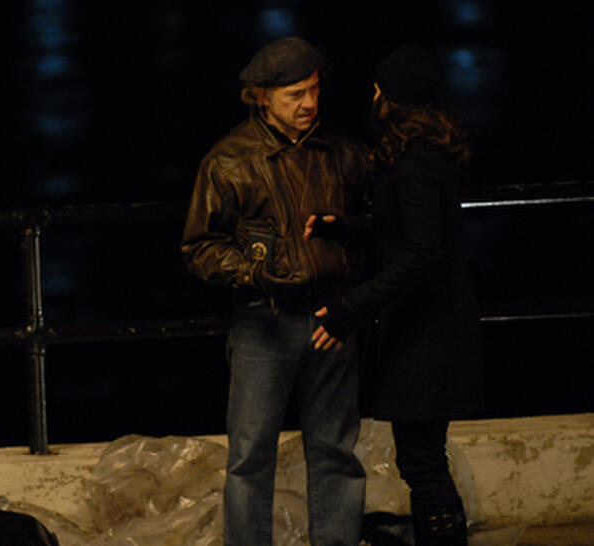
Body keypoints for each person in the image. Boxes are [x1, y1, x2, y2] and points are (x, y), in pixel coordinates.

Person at [181, 36, 367, 545]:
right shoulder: (229, 162)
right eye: (295, 96)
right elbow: (199, 246)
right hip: (263, 323)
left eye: (313, 91)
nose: (309, 103)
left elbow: (374, 232)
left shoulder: (345, 155)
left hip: (333, 319)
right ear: (261, 96)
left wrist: (352, 303)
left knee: (335, 451)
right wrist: (255, 274)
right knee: (249, 456)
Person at [304, 44, 484, 545]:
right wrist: (344, 229)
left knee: (422, 459)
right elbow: (404, 229)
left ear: (393, 98)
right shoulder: (427, 155)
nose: (374, 98)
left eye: (378, 90)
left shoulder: (413, 163)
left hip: (429, 335)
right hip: (434, 329)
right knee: (422, 455)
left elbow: (422, 251)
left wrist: (349, 310)